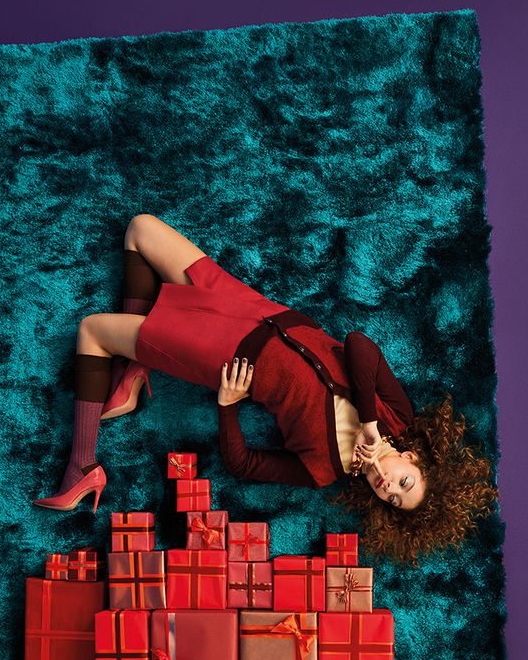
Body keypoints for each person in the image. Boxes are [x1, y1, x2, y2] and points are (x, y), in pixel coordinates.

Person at [33, 214, 498, 563]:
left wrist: (228, 405)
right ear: (411, 458)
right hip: (257, 310)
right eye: (404, 481)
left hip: (225, 353)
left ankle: (82, 468)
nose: (387, 485)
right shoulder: (396, 415)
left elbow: (243, 464)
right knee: (140, 229)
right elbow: (359, 345)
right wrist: (370, 423)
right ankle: (133, 372)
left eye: (391, 497)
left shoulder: (323, 471)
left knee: (92, 330)